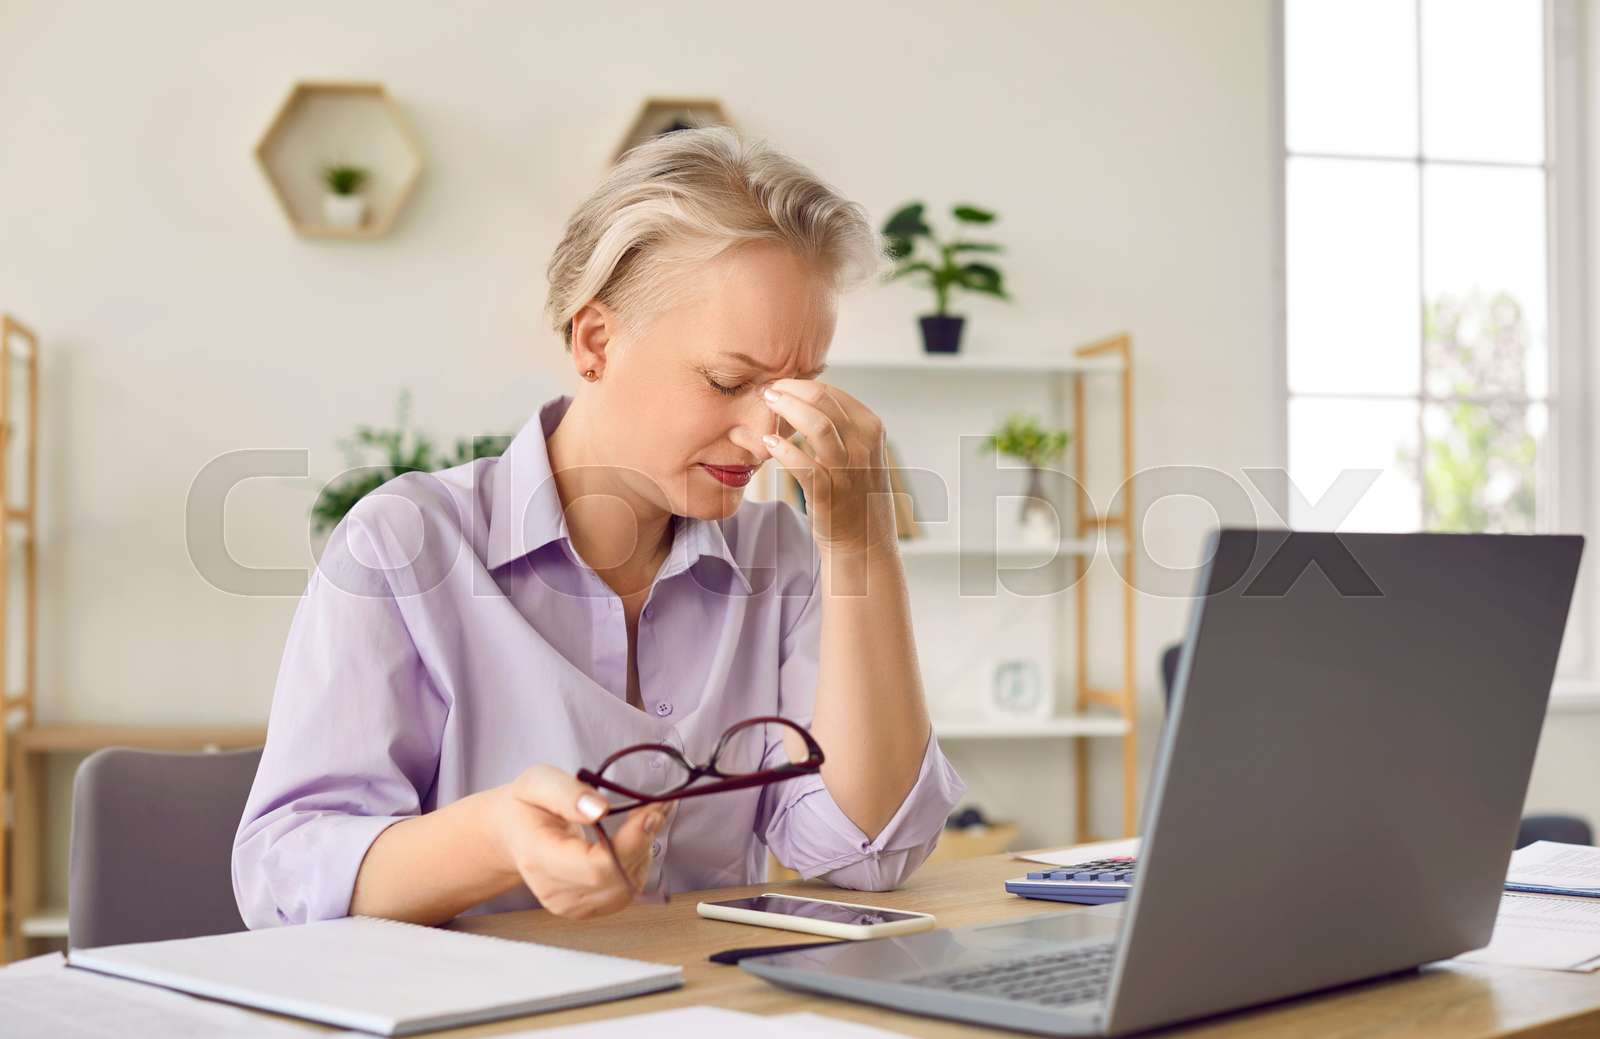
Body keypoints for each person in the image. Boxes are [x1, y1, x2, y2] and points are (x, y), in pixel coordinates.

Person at [231, 125, 966, 929]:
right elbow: (285, 874)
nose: (767, 437)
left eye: (796, 390)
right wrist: (494, 838)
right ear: (595, 341)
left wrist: (862, 544)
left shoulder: (780, 556)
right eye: (729, 381)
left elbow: (870, 852)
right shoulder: (406, 543)